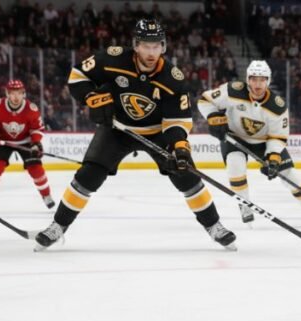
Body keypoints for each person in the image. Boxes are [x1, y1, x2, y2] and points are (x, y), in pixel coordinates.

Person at [33, 19, 235, 251]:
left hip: (157, 132)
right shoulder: (111, 58)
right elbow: (77, 76)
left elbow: (177, 120)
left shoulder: (173, 78)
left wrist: (179, 146)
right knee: (88, 176)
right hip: (116, 128)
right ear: (135, 45)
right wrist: (91, 97)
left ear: (163, 46)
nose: (151, 52)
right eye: (146, 46)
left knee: (187, 176)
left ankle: (214, 226)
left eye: (156, 46)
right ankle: (57, 226)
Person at [196, 60, 301, 226]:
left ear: (268, 81)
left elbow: (278, 136)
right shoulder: (233, 90)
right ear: (248, 79)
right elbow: (205, 100)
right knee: (235, 165)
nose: (258, 84)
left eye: (262, 79)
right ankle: (244, 204)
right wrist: (213, 117)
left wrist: (273, 158)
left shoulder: (277, 107)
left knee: (289, 174)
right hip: (234, 137)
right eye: (254, 79)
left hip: (264, 142)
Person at [0, 79, 54, 209]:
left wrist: (35, 143)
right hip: (3, 141)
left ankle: (46, 195)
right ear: (7, 93)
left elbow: (37, 128)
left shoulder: (31, 109)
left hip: (26, 142)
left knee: (36, 170)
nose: (16, 96)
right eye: (12, 93)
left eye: (19, 93)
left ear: (24, 93)